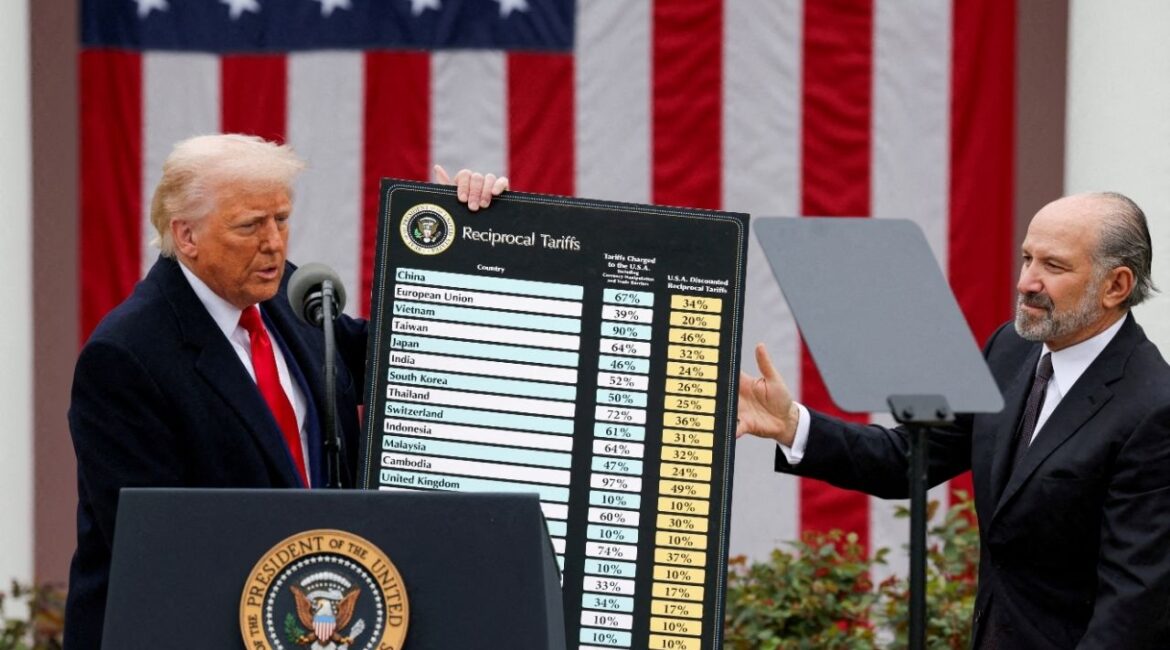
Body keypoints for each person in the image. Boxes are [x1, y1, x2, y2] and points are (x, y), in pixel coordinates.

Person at [64, 134, 508, 647]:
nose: (274, 242)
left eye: (281, 219)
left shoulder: (287, 298)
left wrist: (466, 242)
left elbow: (398, 360)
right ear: (186, 236)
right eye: (250, 226)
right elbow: (159, 541)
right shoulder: (125, 356)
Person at [737, 192, 1170, 649]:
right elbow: (909, 457)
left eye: (1054, 267)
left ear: (1116, 286)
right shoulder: (1010, 349)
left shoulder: (1153, 409)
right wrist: (791, 424)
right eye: (1027, 259)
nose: (1026, 282)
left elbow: (1134, 610)